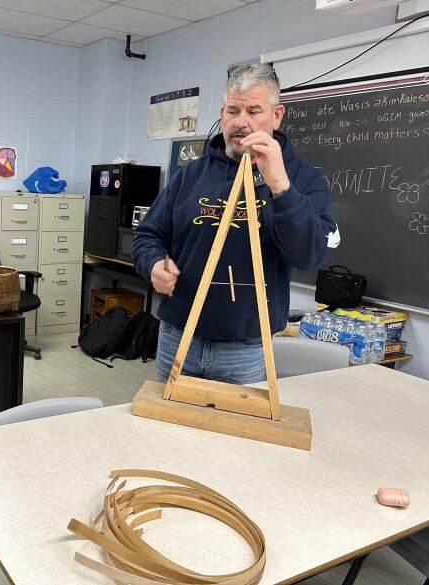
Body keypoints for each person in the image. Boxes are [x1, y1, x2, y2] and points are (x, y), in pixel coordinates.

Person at [132, 64, 339, 385]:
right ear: (222, 112)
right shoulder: (190, 175)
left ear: (277, 115)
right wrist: (154, 264)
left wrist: (280, 186)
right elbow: (148, 236)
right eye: (233, 110)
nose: (241, 122)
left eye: (254, 111)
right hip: (177, 336)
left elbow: (309, 255)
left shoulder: (302, 179)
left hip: (246, 347)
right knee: (167, 431)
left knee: (236, 432)